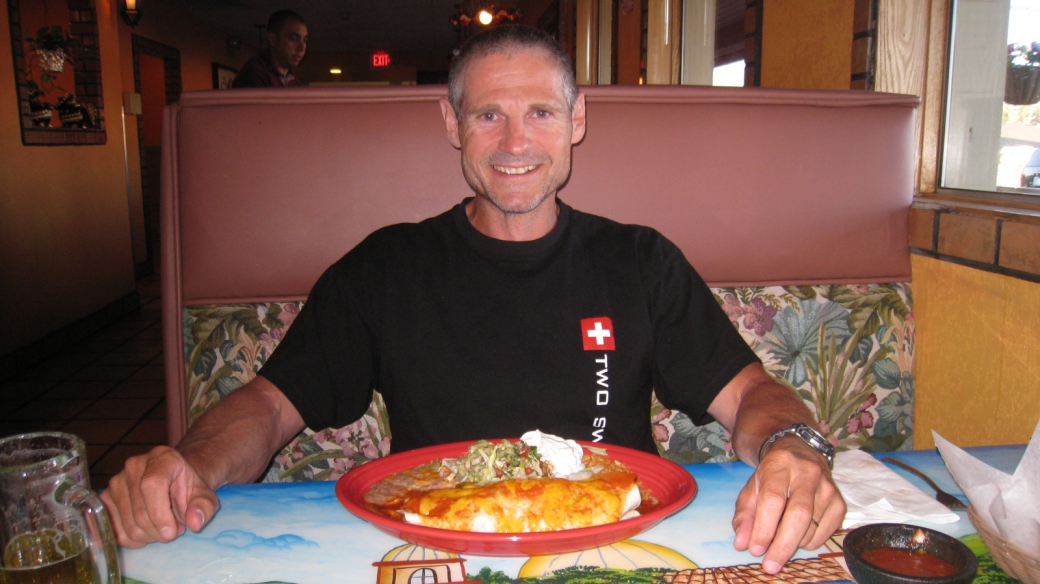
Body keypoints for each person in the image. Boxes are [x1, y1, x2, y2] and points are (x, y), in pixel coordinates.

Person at [101, 25, 845, 574]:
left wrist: (793, 446)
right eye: (488, 114)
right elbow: (266, 407)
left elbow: (754, 396)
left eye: (542, 114)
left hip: (618, 548)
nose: (514, 141)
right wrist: (192, 463)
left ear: (577, 121)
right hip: (433, 548)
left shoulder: (640, 260)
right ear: (452, 125)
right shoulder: (387, 266)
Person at [231, 10, 308, 88]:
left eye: (305, 40)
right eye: (293, 39)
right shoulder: (255, 72)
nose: (302, 48)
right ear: (273, 39)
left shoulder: (294, 82)